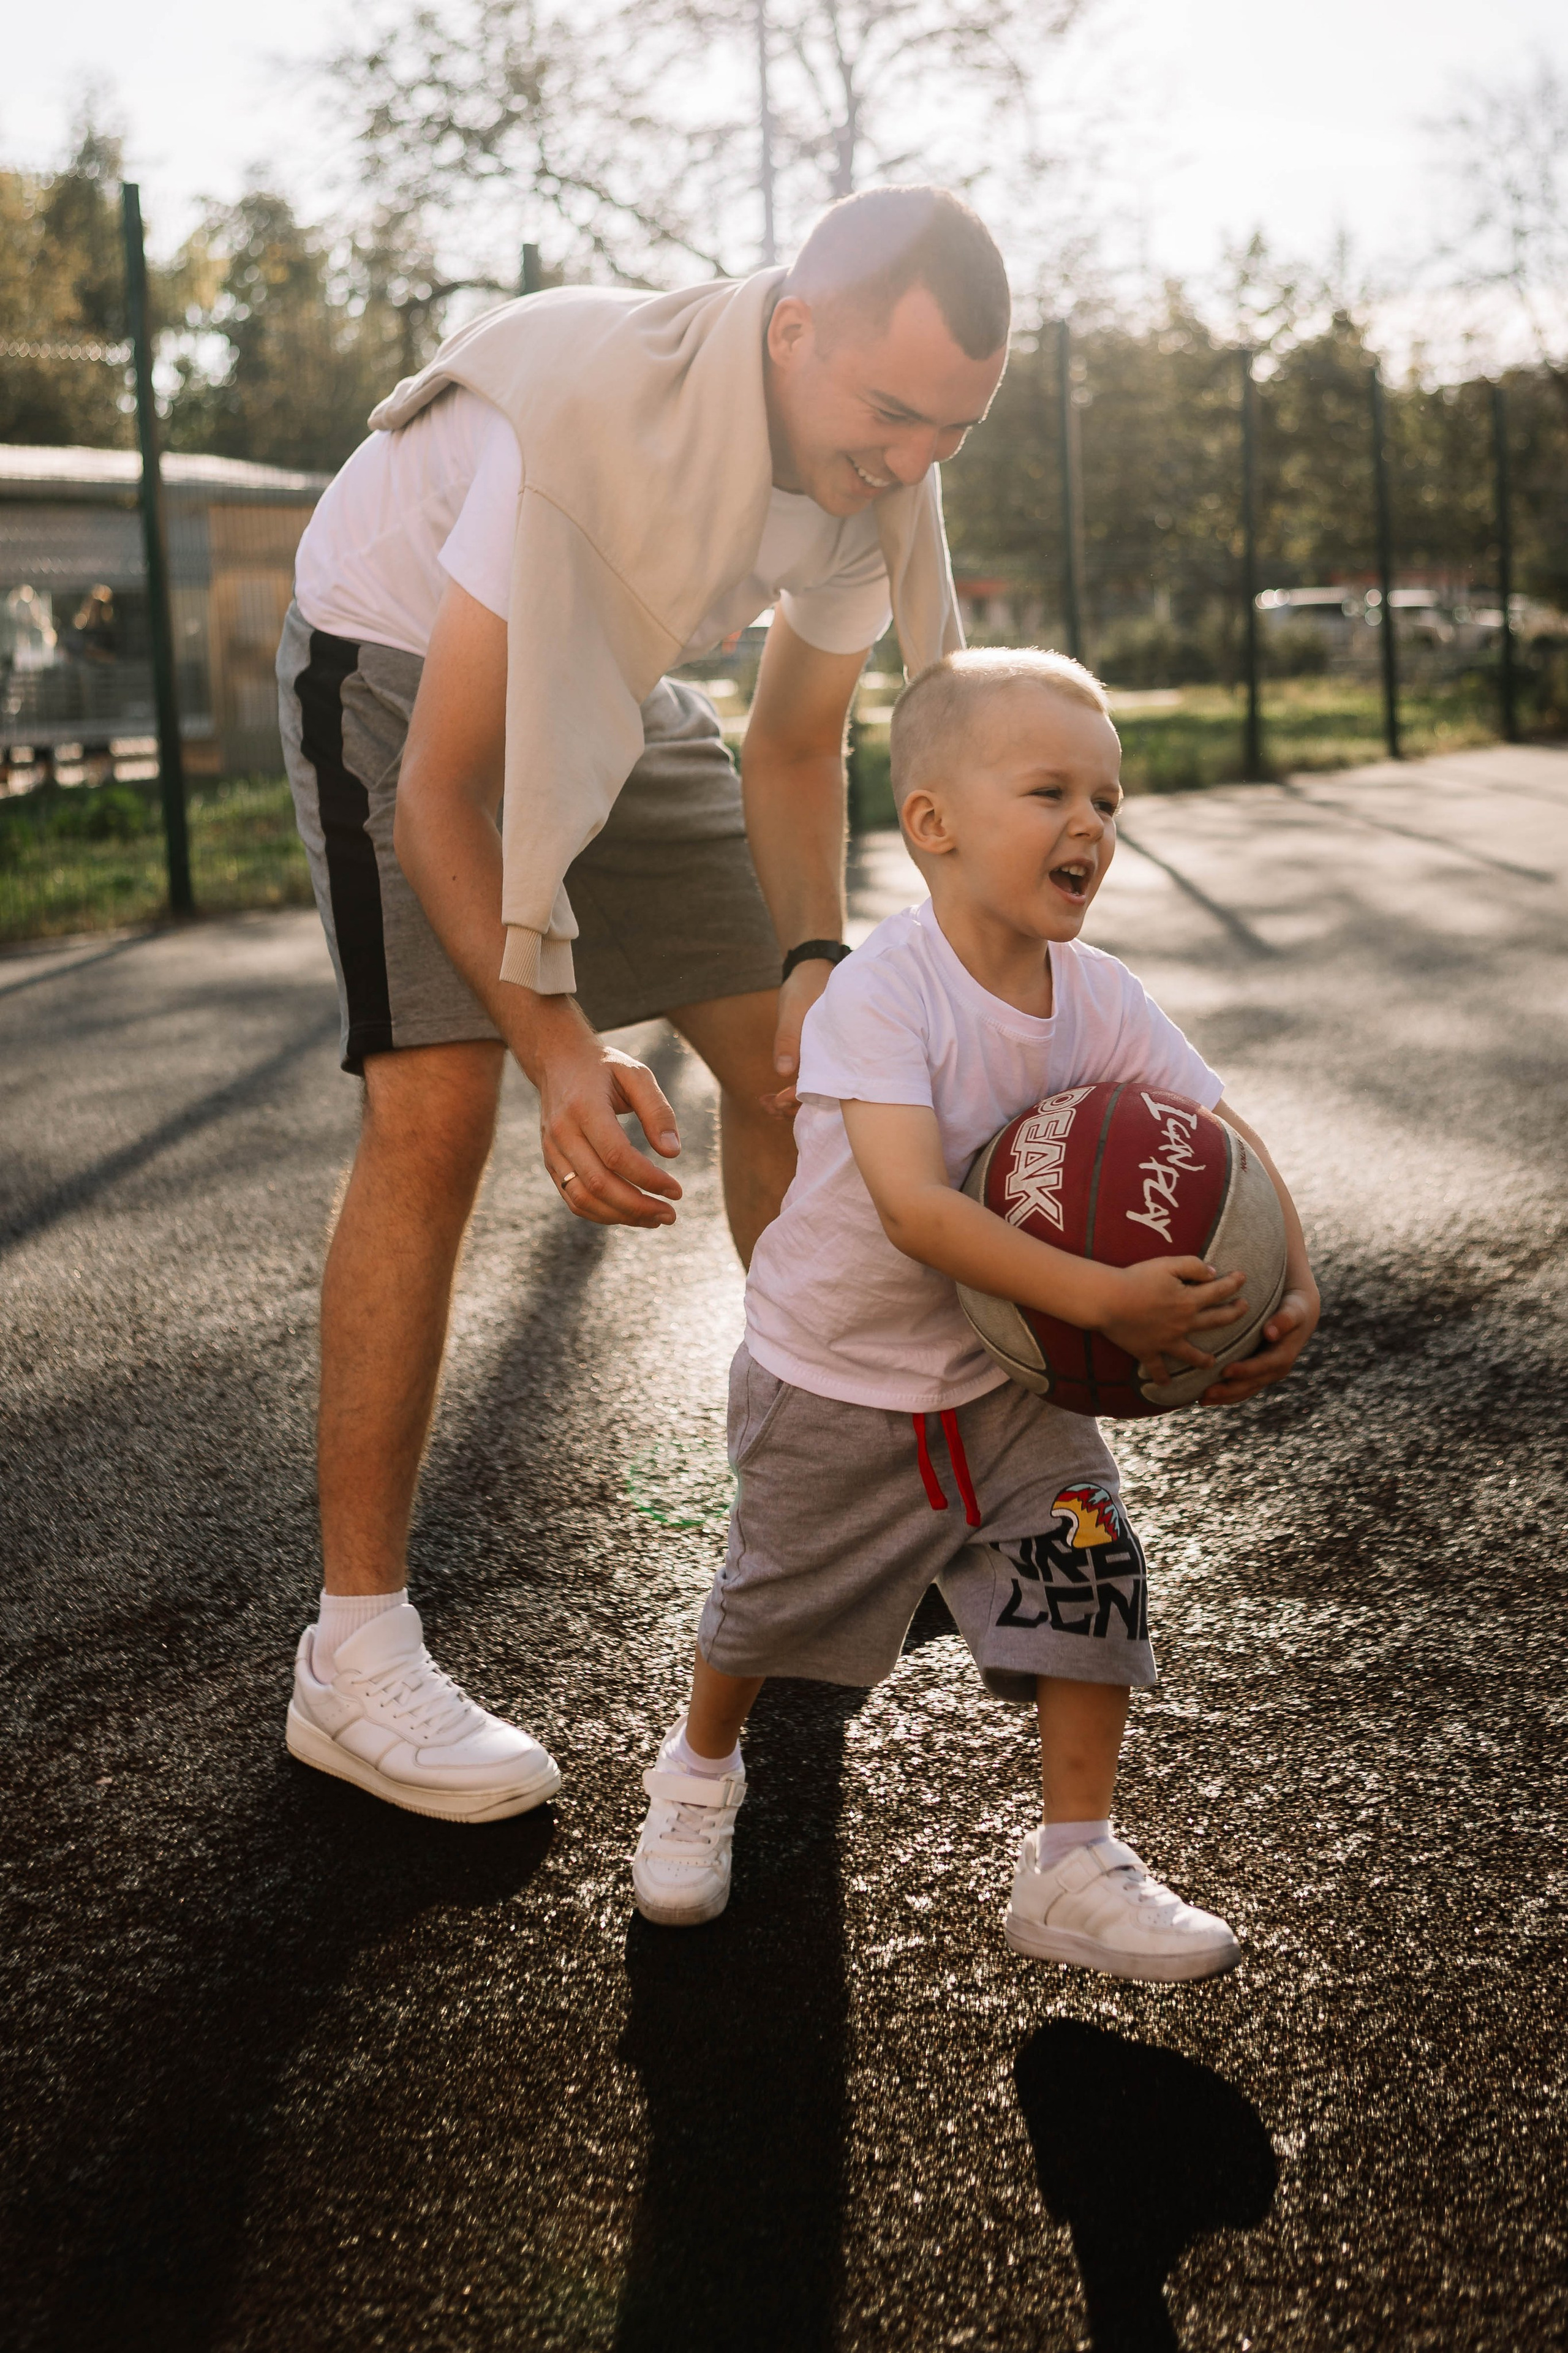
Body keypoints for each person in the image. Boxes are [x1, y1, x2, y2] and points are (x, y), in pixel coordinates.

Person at [276, 187, 1012, 1822]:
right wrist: (554, 1039)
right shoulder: (597, 414)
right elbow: (445, 799)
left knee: (795, 1073)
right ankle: (352, 1654)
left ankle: (839, 1507)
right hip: (400, 656)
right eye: (891, 414)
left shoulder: (873, 477)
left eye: (946, 431)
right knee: (440, 1101)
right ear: (788, 327)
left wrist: (817, 962)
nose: (908, 462)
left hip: (618, 663)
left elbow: (800, 742)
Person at [630, 648, 1320, 1980]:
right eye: (1049, 790)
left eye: (1107, 802)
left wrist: (1291, 1275)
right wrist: (1101, 1299)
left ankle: (1074, 1860)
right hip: (834, 1375)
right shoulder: (881, 993)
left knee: (1090, 1566)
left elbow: (1219, 1130)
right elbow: (916, 1212)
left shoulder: (1101, 996)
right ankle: (698, 1770)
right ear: (932, 823)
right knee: (767, 1609)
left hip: (1009, 1386)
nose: (1089, 825)